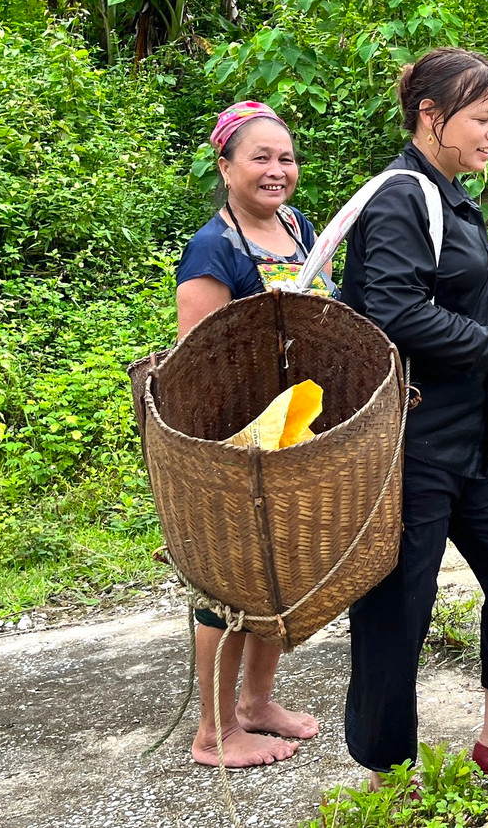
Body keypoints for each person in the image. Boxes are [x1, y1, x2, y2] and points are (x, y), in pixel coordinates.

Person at [340, 47, 488, 786]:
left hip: (471, 437)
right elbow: (393, 312)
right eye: (481, 117)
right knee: (396, 611)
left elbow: (445, 306)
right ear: (430, 116)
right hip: (407, 445)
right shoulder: (400, 196)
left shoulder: (449, 192)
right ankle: (388, 776)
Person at [175, 101, 330, 766]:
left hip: (302, 429)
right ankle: (213, 733)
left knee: (278, 576)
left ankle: (256, 703)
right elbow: (194, 362)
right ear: (226, 165)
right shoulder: (213, 248)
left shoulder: (299, 227)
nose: (277, 170)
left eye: (286, 157)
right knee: (228, 584)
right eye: (260, 157)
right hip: (237, 444)